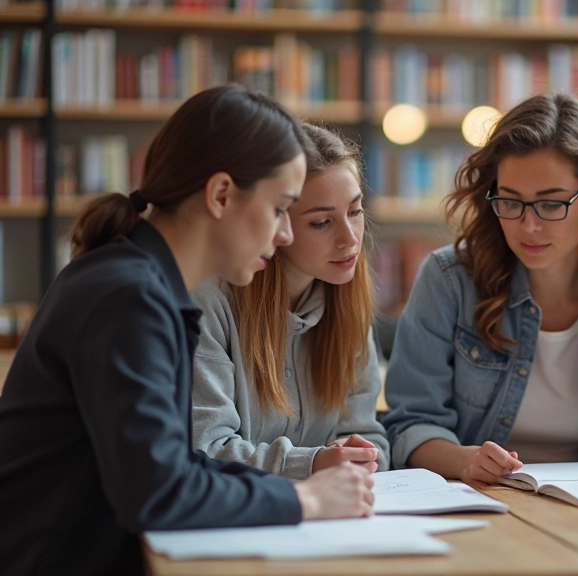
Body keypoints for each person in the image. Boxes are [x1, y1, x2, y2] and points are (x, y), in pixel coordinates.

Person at [0, 85, 375, 576]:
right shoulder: (130, 299)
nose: (284, 234)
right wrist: (302, 498)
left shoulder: (140, 283)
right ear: (220, 195)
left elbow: (175, 468)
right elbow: (158, 493)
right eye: (281, 208)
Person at [383, 93, 578, 484]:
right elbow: (411, 424)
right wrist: (462, 461)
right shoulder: (448, 280)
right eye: (510, 201)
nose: (528, 225)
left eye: (551, 205)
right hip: (482, 502)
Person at [191, 123, 388, 478]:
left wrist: (364, 457)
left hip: (329, 515)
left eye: (355, 212)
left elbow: (369, 434)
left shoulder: (348, 306)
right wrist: (312, 463)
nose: (349, 239)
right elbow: (205, 449)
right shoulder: (209, 302)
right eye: (321, 222)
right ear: (275, 222)